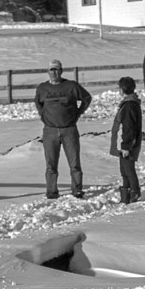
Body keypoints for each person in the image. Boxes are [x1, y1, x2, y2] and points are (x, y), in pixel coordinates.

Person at [34, 59, 92, 198]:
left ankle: (77, 189)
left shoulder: (71, 86)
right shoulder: (42, 88)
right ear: (48, 72)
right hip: (50, 131)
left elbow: (86, 98)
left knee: (74, 163)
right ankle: (51, 191)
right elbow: (38, 104)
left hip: (69, 129)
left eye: (56, 69)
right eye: (51, 70)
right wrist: (43, 116)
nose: (54, 72)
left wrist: (78, 113)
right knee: (51, 164)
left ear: (61, 71)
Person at [109, 76, 143, 204]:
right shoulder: (130, 103)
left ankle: (134, 192)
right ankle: (126, 195)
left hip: (127, 145)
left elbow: (129, 128)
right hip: (125, 144)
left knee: (129, 170)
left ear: (122, 90)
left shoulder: (129, 105)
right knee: (124, 171)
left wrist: (126, 146)